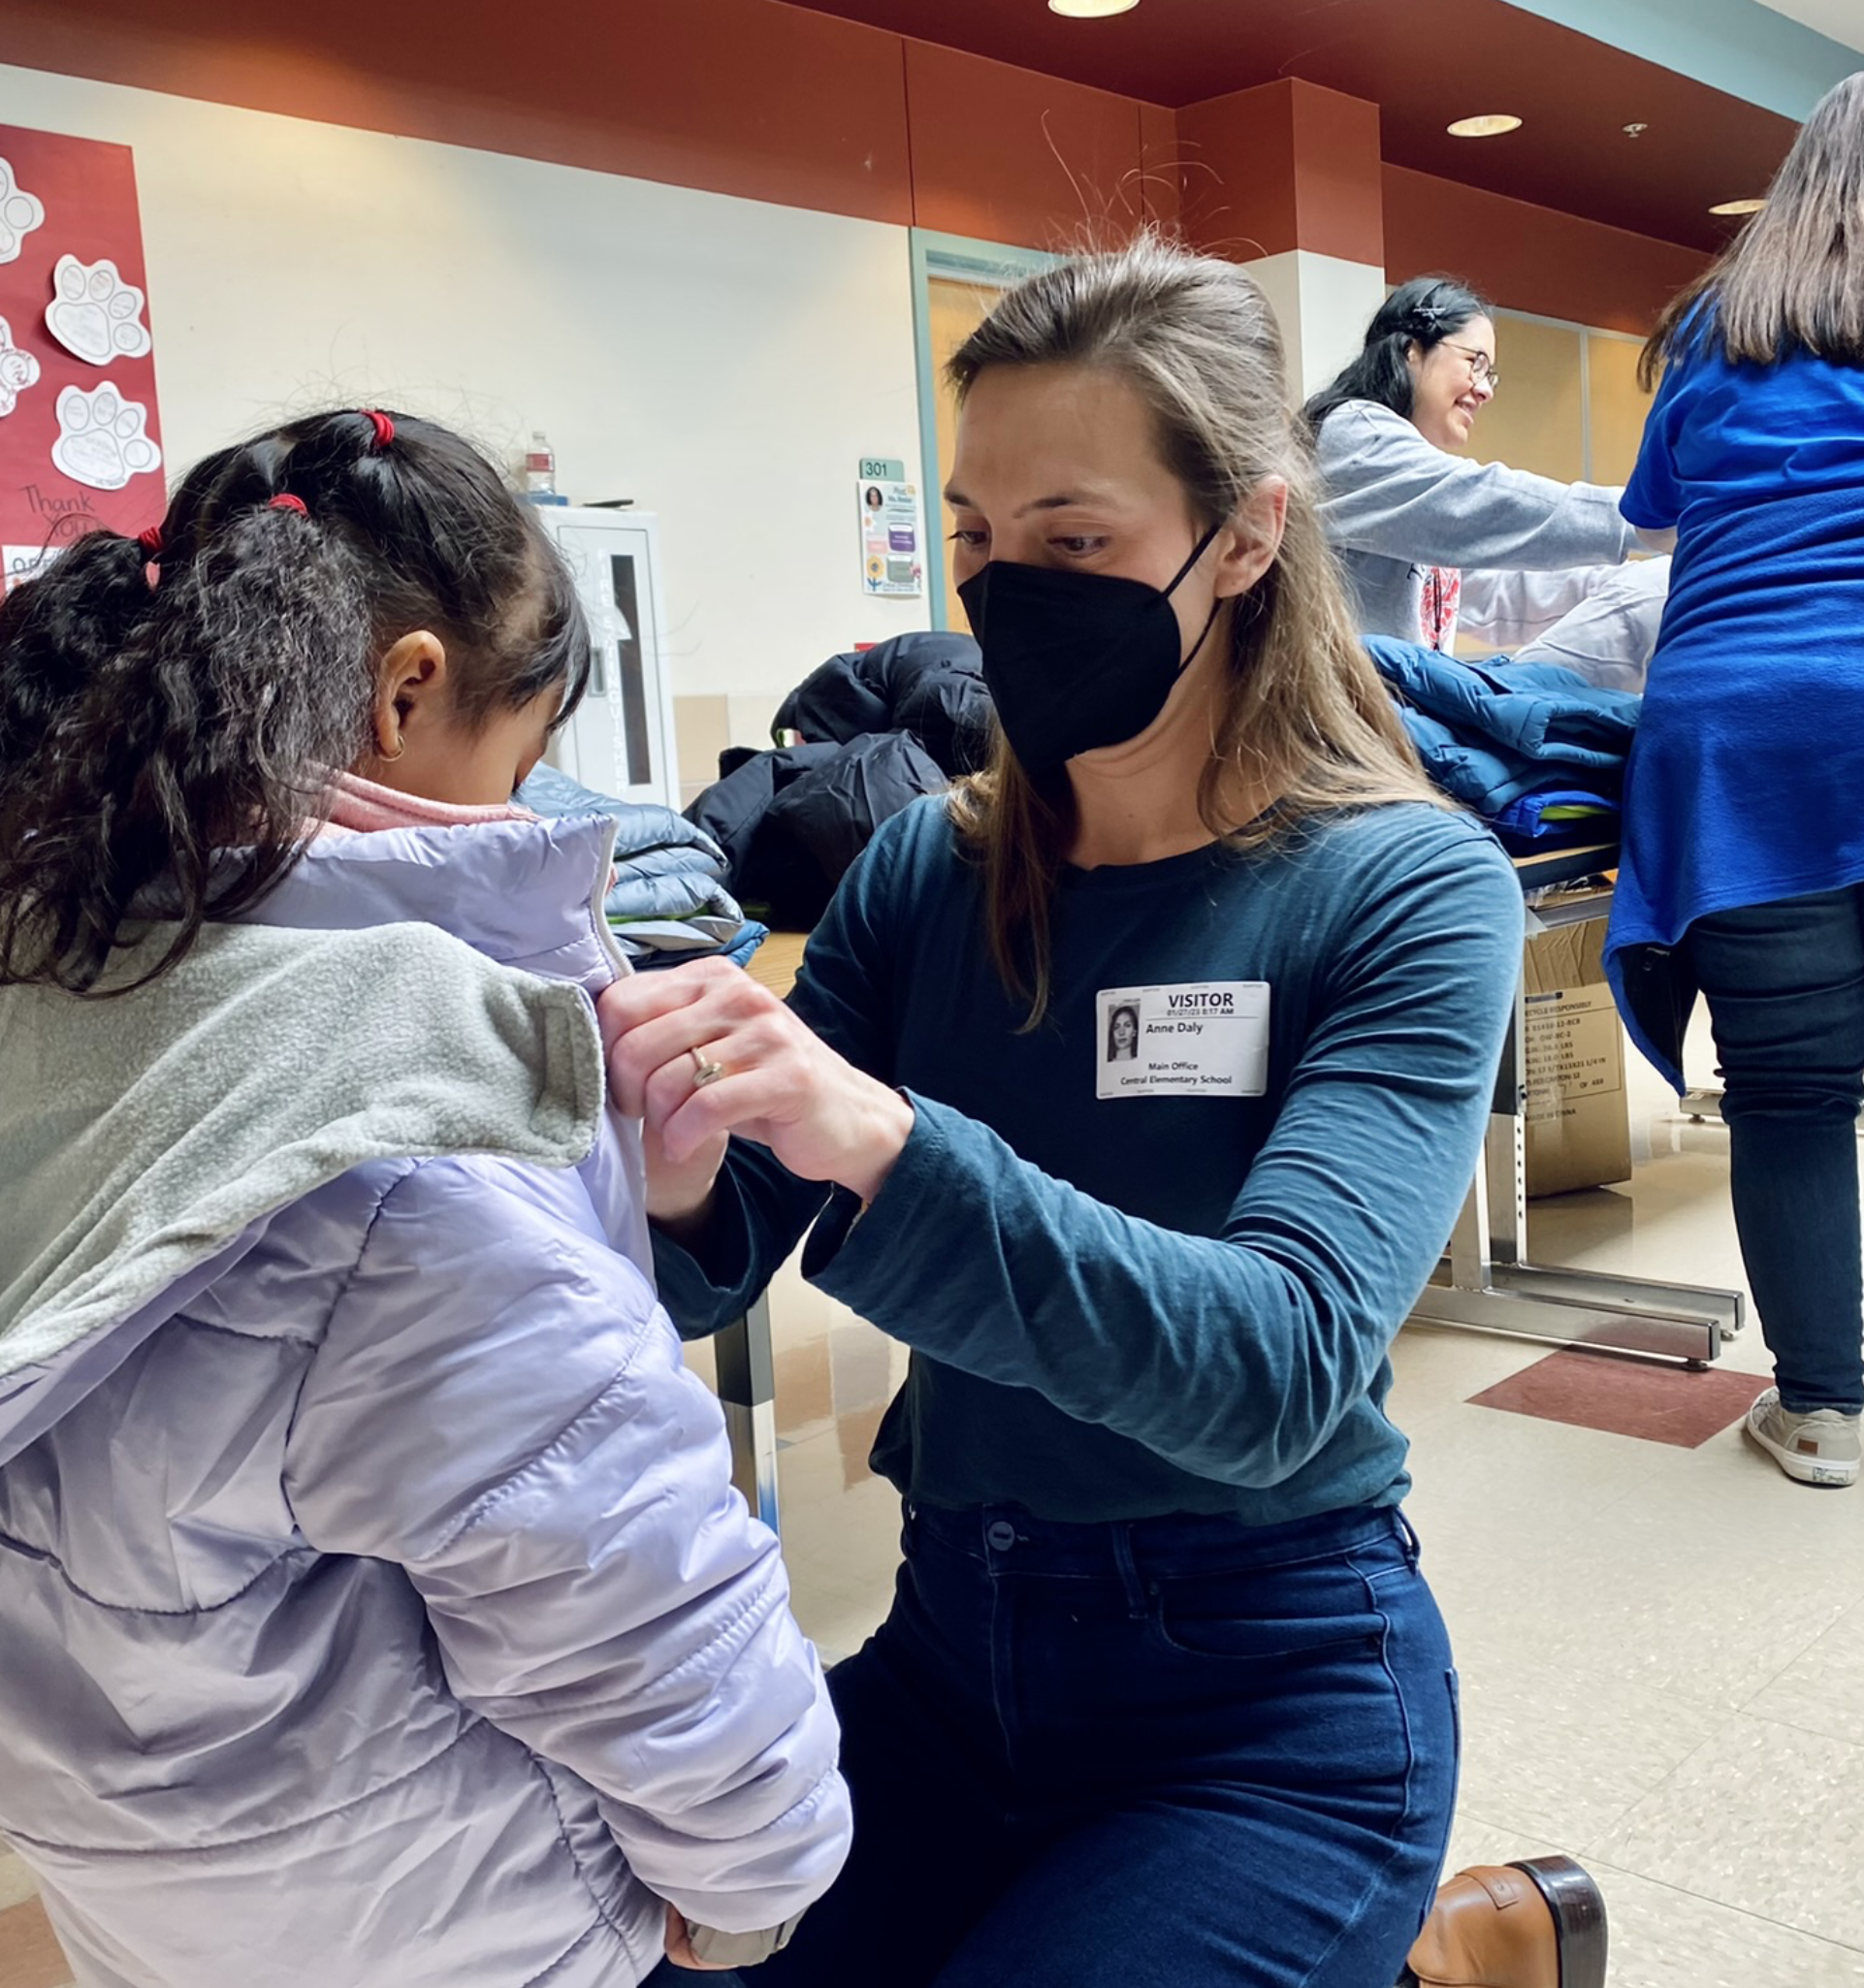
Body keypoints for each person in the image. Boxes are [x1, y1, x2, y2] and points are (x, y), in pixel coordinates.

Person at [0, 409, 850, 1988]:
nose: (527, 805)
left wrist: (628, 1187)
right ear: (407, 689)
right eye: (524, 758)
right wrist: (757, 1875)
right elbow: (617, 1583)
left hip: (142, 1856)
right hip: (435, 1901)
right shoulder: (392, 1115)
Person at [601, 240, 1595, 1987]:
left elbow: (1277, 1367)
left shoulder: (1406, 888)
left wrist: (889, 1145)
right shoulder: (929, 866)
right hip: (944, 1648)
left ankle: (1412, 1938)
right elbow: (716, 1267)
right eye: (977, 543)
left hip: (1266, 1699)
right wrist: (681, 1176)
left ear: (1247, 533)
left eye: (1074, 544)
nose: (1006, 593)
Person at [1609, 74, 1864, 1490]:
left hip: (1740, 734)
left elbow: (1654, 508)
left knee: (1793, 1094)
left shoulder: (1722, 319)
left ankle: (1825, 1404)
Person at [1307, 275, 1666, 651]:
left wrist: (1636, 582)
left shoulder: (1418, 505)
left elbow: (1497, 596)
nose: (1485, 389)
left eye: (1489, 372)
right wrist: (1644, 516)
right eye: (1474, 363)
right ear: (1411, 350)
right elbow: (1478, 502)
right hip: (1337, 708)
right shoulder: (1354, 433)